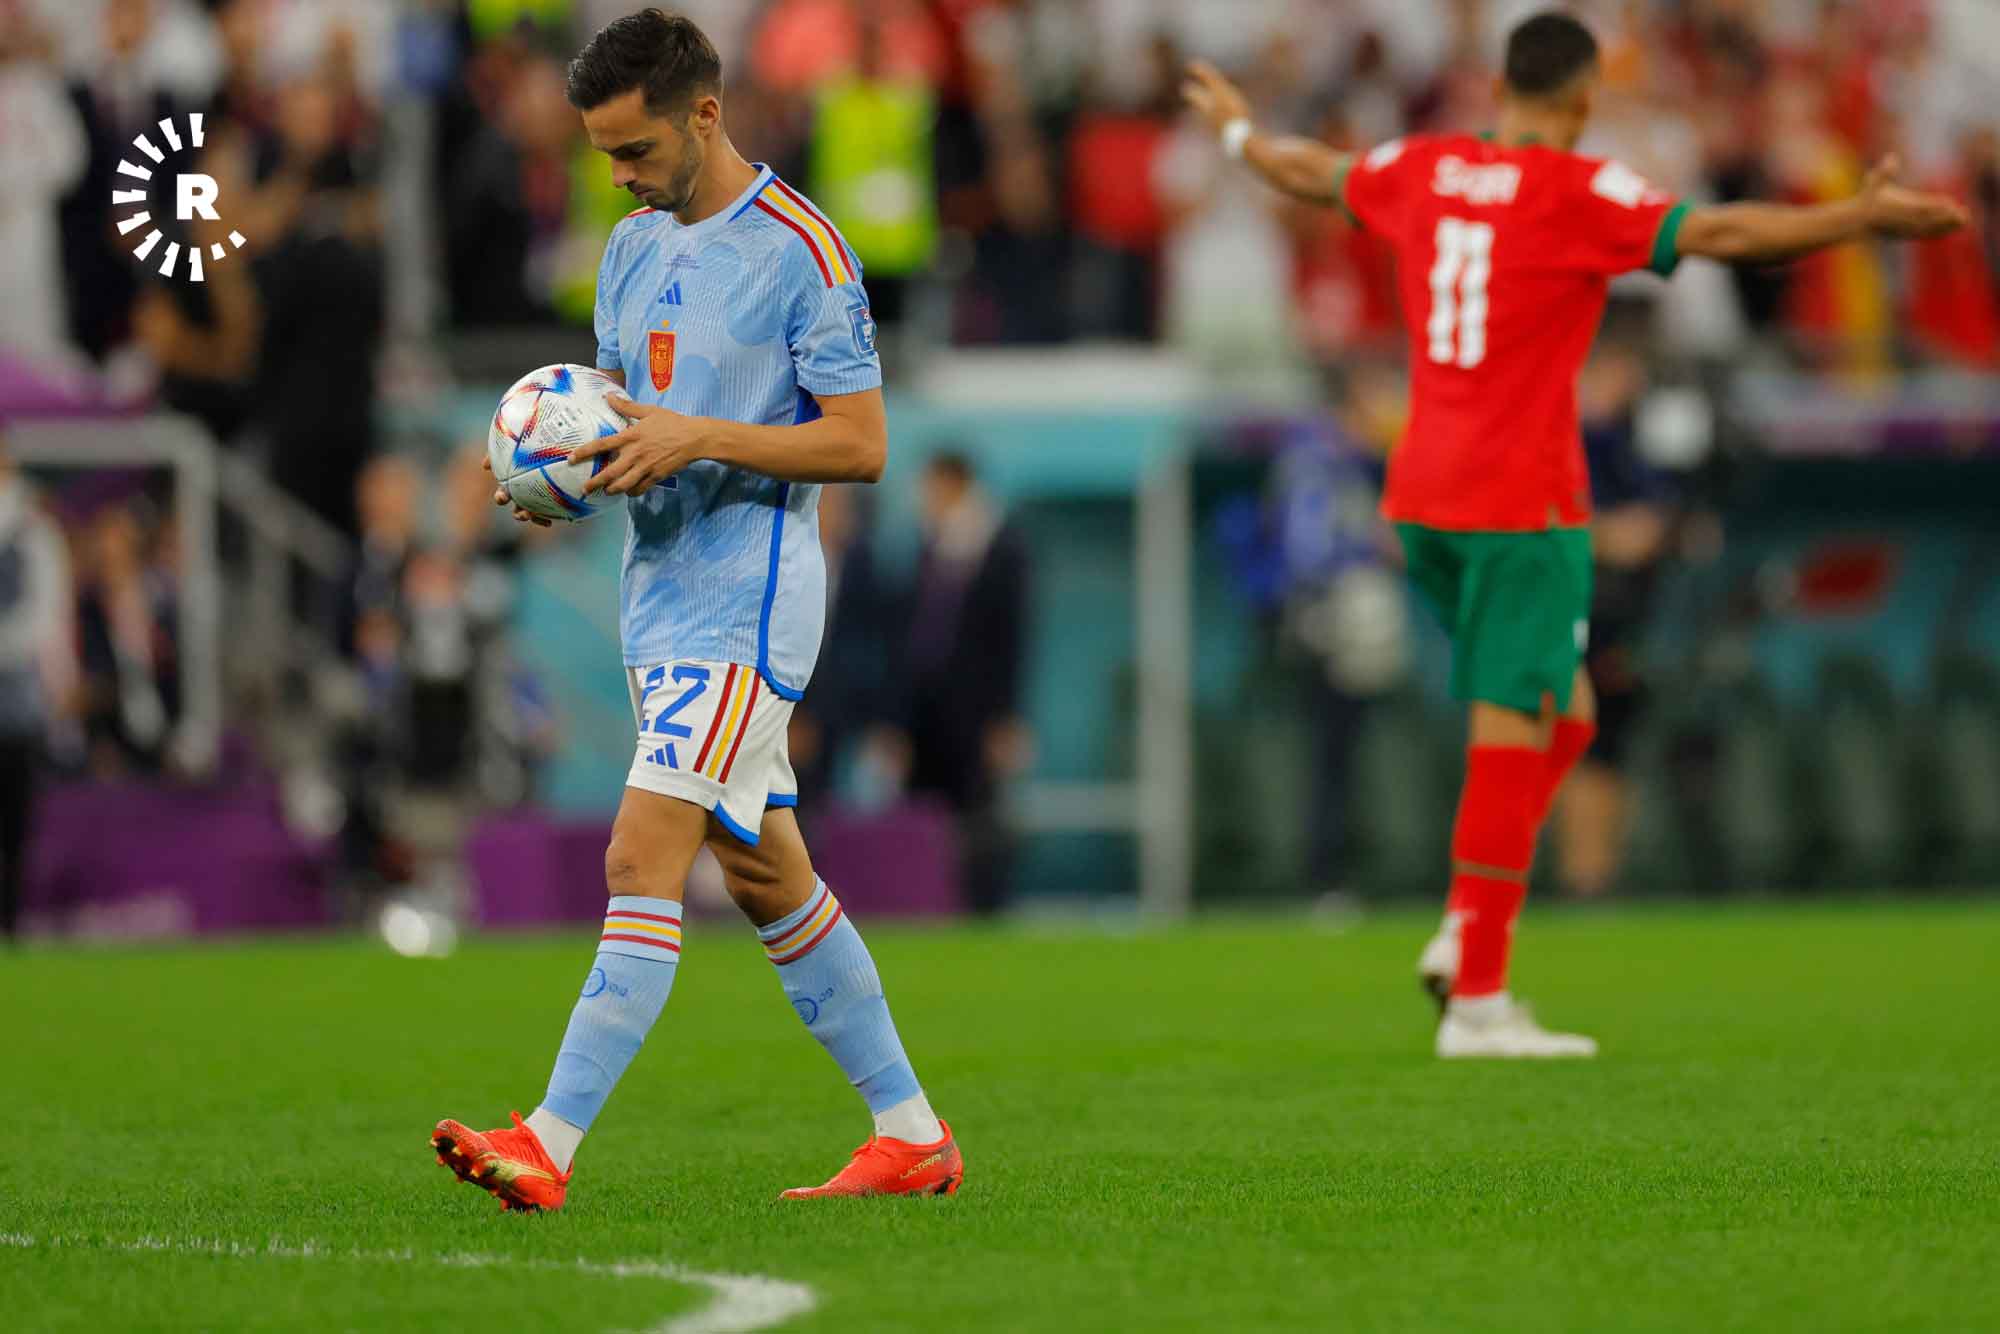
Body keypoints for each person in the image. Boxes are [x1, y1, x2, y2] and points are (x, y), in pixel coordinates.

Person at [1183, 10, 1966, 1059]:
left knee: (1569, 711)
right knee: (1513, 730)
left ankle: (1466, 928)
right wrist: (1856, 217)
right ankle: (1477, 996)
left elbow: (1309, 171)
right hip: (1522, 504)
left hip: (1422, 496)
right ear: (1585, 97)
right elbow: (1721, 235)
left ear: (1503, 84)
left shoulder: (1423, 167)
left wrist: (1237, 132)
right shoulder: (1577, 192)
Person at [431, 9, 960, 1211]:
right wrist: (559, 470)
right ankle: (910, 1131)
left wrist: (694, 439)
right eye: (602, 154)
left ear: (704, 115)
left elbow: (861, 444)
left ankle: (547, 1139)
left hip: (747, 604)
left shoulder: (803, 250)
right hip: (659, 601)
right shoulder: (627, 248)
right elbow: (631, 417)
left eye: (633, 150)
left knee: (638, 854)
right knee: (767, 876)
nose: (617, 175)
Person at [900, 451, 1030, 917]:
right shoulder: (929, 547)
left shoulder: (1002, 546)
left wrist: (1007, 718)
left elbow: (1014, 640)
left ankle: (988, 909)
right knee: (926, 816)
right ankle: (933, 904)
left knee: (981, 817)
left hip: (980, 715)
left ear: (955, 483)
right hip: (929, 715)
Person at [0, 429, 73, 940]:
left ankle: (11, 922)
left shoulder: (32, 530)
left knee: (15, 821)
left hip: (17, 699)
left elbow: (45, 610)